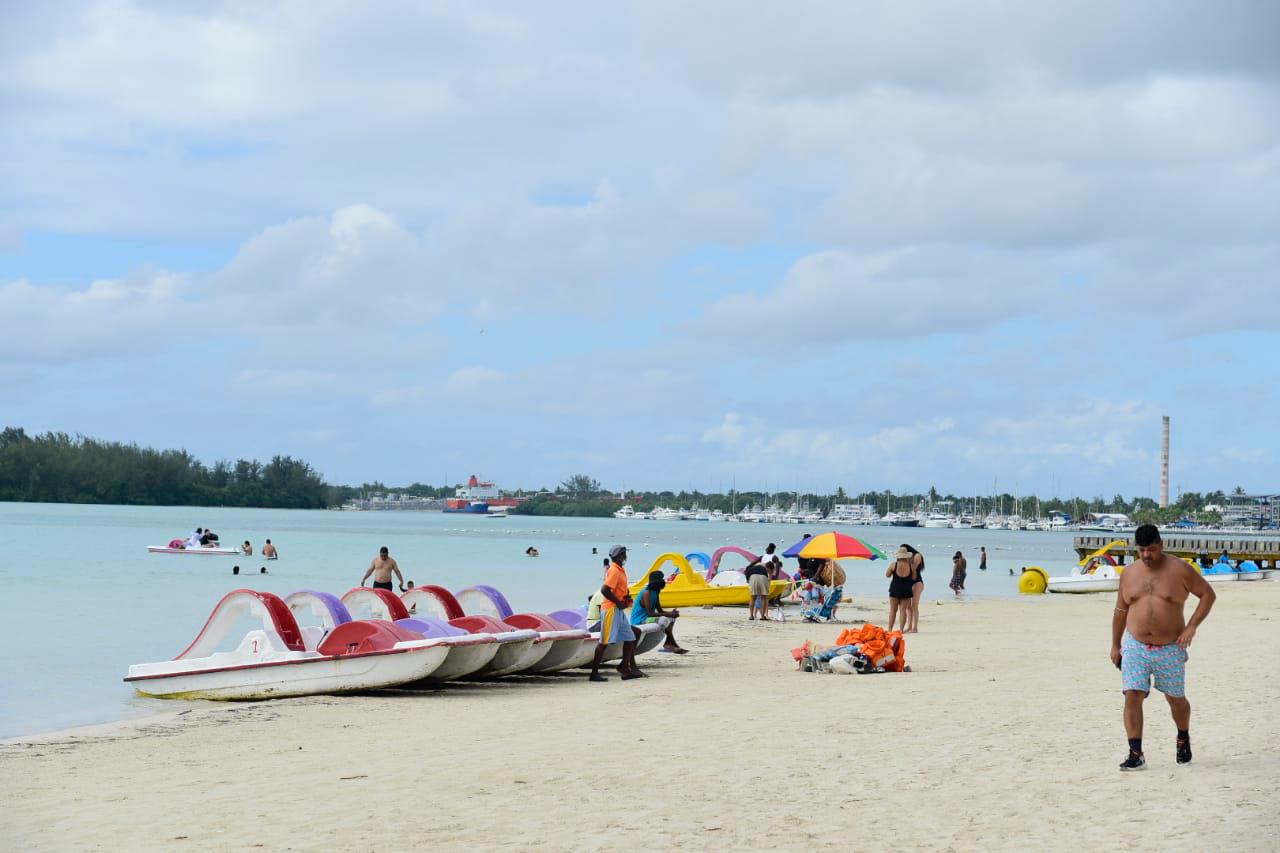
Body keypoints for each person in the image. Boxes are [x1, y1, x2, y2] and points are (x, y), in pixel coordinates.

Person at [1111, 524, 1216, 771]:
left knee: (1175, 699)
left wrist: (1191, 627)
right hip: (1135, 644)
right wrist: (1115, 644)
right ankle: (1135, 753)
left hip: (1170, 646)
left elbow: (1208, 595)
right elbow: (1120, 610)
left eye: (1152, 549)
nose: (1147, 555)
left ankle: (1183, 737)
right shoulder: (1129, 574)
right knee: (1132, 695)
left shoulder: (1180, 570)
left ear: (1161, 544)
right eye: (1142, 550)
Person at [589, 545, 640, 682]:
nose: (625, 557)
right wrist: (618, 603)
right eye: (624, 554)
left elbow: (618, 589)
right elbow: (605, 590)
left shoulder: (620, 570)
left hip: (618, 609)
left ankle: (625, 669)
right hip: (611, 609)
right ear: (620, 555)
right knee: (604, 642)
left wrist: (625, 598)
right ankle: (594, 673)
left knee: (630, 638)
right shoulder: (614, 571)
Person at [630, 570, 687, 654]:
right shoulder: (646, 593)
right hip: (640, 620)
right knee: (663, 620)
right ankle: (673, 644)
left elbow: (660, 611)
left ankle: (668, 643)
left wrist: (672, 613)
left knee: (671, 618)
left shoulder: (655, 592)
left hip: (648, 618)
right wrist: (668, 614)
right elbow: (650, 614)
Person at [886, 547, 916, 631]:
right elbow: (914, 578)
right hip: (906, 589)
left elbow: (887, 575)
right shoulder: (911, 566)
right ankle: (901, 630)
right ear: (906, 556)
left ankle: (890, 629)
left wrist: (893, 572)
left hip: (895, 588)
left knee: (893, 610)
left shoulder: (893, 565)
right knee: (903, 610)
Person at [905, 544, 925, 633]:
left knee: (914, 605)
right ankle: (909, 626)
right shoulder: (906, 558)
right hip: (909, 583)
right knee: (908, 607)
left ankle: (915, 627)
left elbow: (913, 568)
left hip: (917, 582)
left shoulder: (917, 555)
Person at [745, 557, 772, 621]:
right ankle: (762, 616)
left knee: (752, 598)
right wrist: (770, 574)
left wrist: (748, 580)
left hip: (752, 577)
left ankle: (751, 616)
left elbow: (747, 572)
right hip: (763, 577)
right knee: (764, 597)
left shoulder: (754, 565)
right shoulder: (765, 568)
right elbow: (768, 580)